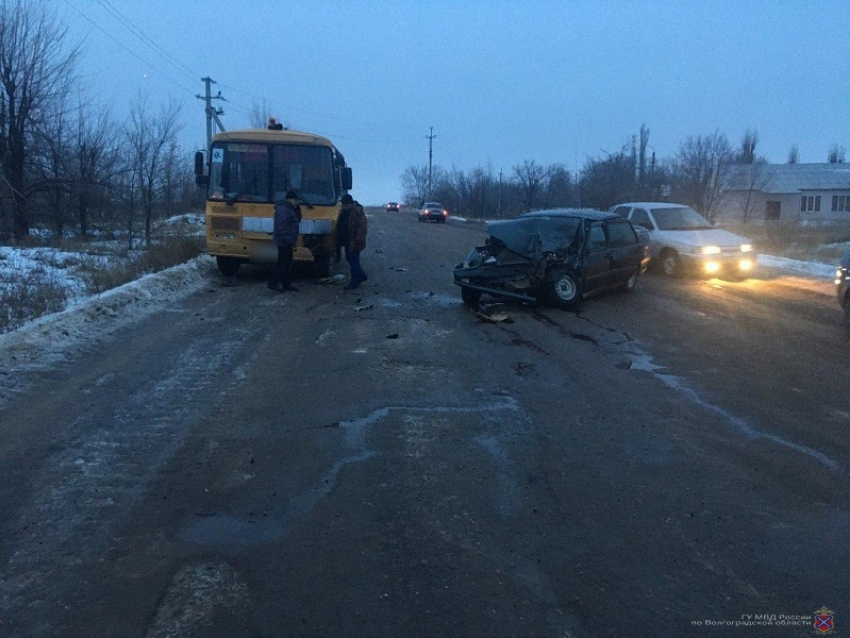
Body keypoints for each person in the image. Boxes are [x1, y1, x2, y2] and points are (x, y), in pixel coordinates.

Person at [268, 190, 301, 292]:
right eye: (296, 200)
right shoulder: (283, 209)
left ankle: (286, 284)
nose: (296, 202)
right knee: (281, 263)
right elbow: (282, 227)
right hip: (284, 241)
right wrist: (289, 239)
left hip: (287, 240)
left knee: (286, 263)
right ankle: (273, 283)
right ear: (291, 199)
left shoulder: (288, 208)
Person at [336, 194, 368, 290]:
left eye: (345, 205)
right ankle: (361, 276)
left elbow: (362, 228)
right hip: (346, 240)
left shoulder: (357, 212)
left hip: (354, 241)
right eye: (343, 205)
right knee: (350, 259)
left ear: (350, 204)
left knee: (353, 261)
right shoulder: (343, 212)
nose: (344, 207)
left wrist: (357, 240)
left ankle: (354, 282)